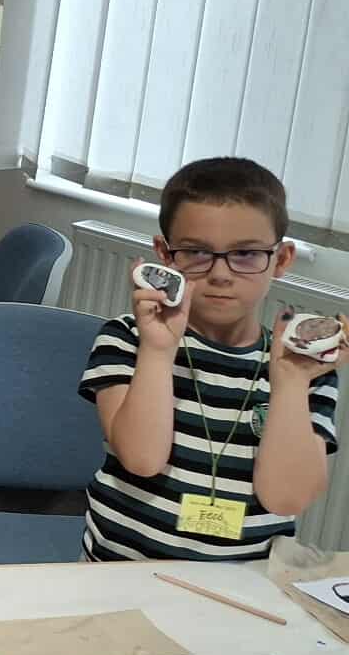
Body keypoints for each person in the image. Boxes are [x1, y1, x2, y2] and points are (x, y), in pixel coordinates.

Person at [81, 156, 340, 562]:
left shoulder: (306, 368)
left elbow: (287, 498)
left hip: (242, 583)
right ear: (165, 254)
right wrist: (158, 351)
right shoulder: (128, 339)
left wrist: (290, 384)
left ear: (281, 260)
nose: (221, 274)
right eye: (196, 252)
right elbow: (141, 459)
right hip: (122, 571)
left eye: (247, 253)